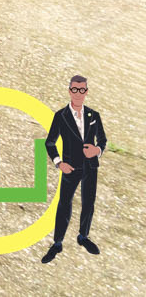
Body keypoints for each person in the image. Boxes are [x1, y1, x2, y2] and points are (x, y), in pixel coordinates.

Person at [41, 74, 107, 263]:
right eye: (75, 89)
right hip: (71, 167)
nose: (79, 93)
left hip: (91, 166)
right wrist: (59, 163)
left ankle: (83, 237)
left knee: (89, 202)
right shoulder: (60, 116)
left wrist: (97, 150)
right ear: (70, 91)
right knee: (64, 204)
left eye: (82, 90)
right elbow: (50, 142)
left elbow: (102, 140)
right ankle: (57, 242)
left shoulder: (94, 116)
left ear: (86, 92)